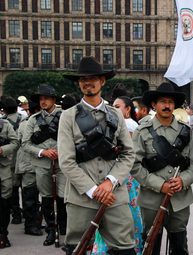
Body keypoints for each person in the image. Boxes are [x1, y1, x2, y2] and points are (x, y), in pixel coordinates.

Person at [60, 56, 136, 255]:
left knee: (125, 249)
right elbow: (66, 161)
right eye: (83, 78)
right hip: (81, 196)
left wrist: (110, 182)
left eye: (93, 78)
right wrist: (93, 189)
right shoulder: (68, 117)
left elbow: (128, 154)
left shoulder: (116, 115)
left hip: (114, 195)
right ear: (79, 82)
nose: (88, 82)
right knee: (77, 249)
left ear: (102, 81)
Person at [131, 82, 193, 255]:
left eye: (170, 102)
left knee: (180, 247)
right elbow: (134, 165)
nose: (167, 105)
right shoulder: (142, 131)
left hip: (180, 199)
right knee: (151, 246)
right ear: (154, 104)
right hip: (152, 200)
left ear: (175, 105)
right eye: (162, 101)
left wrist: (184, 180)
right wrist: (159, 185)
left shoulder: (186, 132)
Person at [92, 96, 143, 255]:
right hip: (122, 175)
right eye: (112, 106)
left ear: (127, 109)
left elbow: (124, 152)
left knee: (116, 213)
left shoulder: (127, 124)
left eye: (117, 106)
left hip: (122, 175)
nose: (113, 109)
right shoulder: (120, 122)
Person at [22, 84, 67, 246]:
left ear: (54, 100)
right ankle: (50, 230)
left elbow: (73, 139)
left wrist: (60, 152)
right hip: (42, 165)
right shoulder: (33, 120)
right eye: (41, 99)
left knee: (63, 197)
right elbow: (25, 144)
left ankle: (65, 229)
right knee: (47, 199)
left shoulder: (64, 117)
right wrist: (43, 152)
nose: (43, 102)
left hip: (62, 165)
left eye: (46, 98)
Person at [16, 100, 43, 236]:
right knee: (30, 196)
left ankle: (34, 222)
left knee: (32, 196)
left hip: (33, 164)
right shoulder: (28, 123)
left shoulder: (25, 122)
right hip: (29, 164)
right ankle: (31, 225)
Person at [0, 101, 20, 248]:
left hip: (3, 169)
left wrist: (1, 150)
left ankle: (3, 234)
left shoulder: (5, 124)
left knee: (4, 204)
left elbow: (15, 143)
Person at [2, 97, 24, 225]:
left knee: (12, 188)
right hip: (22, 157)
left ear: (4, 110)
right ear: (17, 108)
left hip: (8, 159)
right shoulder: (24, 119)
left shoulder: (3, 122)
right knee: (26, 187)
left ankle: (15, 213)